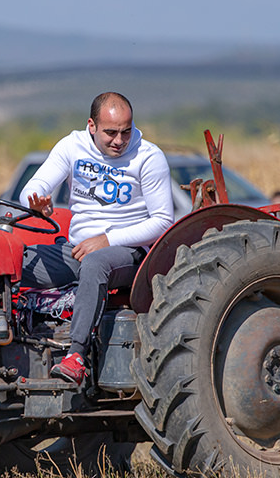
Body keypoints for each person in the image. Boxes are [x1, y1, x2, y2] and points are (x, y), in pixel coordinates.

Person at [20, 92, 174, 384]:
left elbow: (163, 221)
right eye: (111, 133)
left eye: (126, 131)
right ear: (92, 126)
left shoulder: (148, 156)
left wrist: (107, 239)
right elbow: (35, 185)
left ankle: (76, 356)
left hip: (128, 252)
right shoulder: (72, 146)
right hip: (77, 248)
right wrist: (36, 201)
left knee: (95, 264)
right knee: (17, 263)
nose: (119, 140)